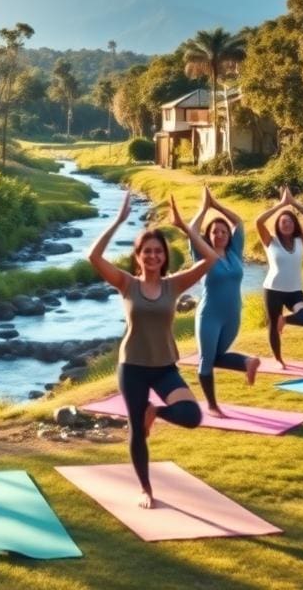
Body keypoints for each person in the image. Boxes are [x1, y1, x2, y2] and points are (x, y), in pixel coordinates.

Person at [89, 191, 217, 509]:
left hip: (164, 366)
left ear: (164, 256)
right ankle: (145, 488)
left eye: (158, 251)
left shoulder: (174, 284)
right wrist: (118, 220)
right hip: (132, 366)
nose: (153, 256)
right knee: (136, 432)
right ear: (138, 256)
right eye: (147, 252)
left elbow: (211, 259)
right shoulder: (126, 283)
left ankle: (154, 412)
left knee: (191, 415)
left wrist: (185, 227)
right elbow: (93, 257)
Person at [189, 185, 260, 417]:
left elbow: (239, 222)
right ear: (208, 236)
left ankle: (248, 362)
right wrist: (203, 208)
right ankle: (212, 405)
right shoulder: (202, 253)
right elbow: (192, 229)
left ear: (228, 236)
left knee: (216, 357)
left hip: (233, 315)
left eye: (223, 231)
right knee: (206, 361)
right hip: (209, 315)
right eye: (214, 232)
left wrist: (217, 205)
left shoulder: (235, 252)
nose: (219, 234)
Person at [255, 186, 303, 367]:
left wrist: (294, 203)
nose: (287, 224)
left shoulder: (302, 241)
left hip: (294, 291)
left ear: (295, 225)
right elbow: (258, 222)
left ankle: (284, 320)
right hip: (273, 290)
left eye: (290, 222)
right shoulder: (270, 241)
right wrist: (281, 205)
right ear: (278, 225)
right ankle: (278, 359)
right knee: (273, 328)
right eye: (283, 222)